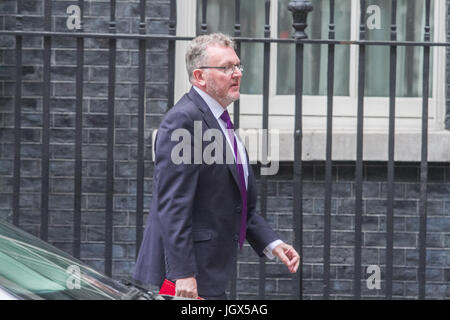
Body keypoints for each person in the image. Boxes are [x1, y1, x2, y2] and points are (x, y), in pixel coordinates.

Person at [133, 33, 299, 300]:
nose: (237, 73)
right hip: (178, 283)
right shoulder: (183, 121)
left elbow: (235, 200)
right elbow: (173, 204)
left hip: (205, 277)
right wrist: (183, 274)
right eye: (226, 68)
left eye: (237, 66)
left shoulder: (218, 120)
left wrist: (272, 243)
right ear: (199, 76)